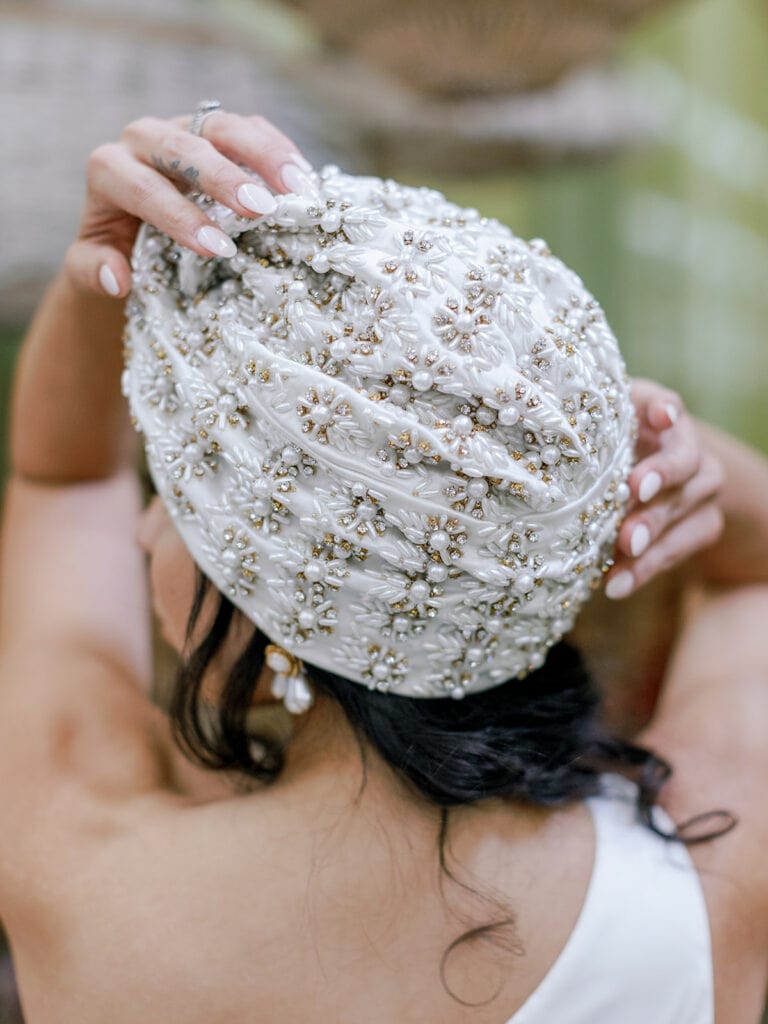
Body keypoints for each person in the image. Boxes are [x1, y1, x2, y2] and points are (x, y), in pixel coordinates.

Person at [1, 107, 767, 1024]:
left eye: (174, 492)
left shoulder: (87, 891)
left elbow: (63, 482)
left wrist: (102, 264)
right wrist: (624, 453)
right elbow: (755, 574)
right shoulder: (705, 887)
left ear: (267, 611)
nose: (140, 529)